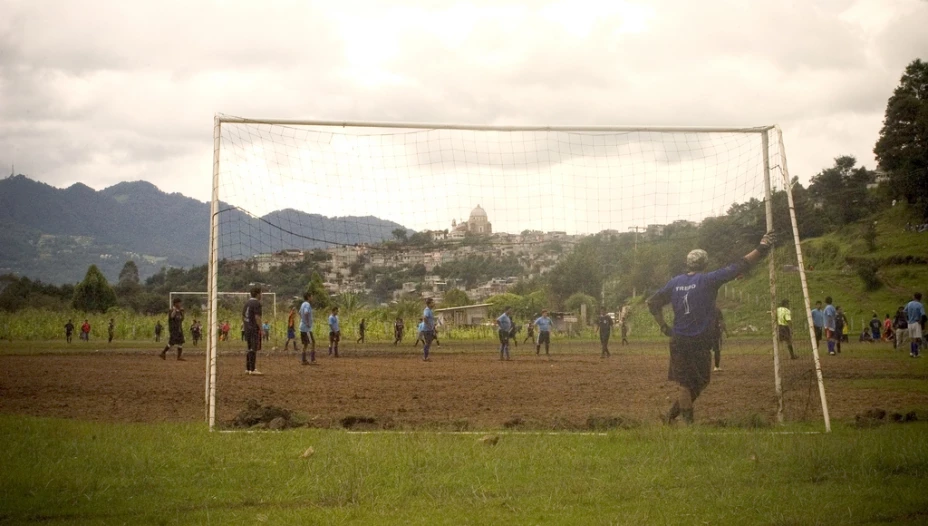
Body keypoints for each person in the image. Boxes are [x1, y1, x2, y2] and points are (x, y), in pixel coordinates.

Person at [647, 231, 775, 425]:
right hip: (699, 341)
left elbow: (652, 303)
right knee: (691, 384)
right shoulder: (709, 280)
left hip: (680, 340)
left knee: (692, 383)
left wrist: (664, 326)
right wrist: (761, 247)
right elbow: (739, 265)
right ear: (705, 264)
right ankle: (686, 425)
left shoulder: (675, 283)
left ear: (687, 263)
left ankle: (670, 417)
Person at [242, 287, 263, 375]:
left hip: (247, 328)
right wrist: (262, 329)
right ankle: (253, 369)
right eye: (261, 293)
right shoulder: (257, 303)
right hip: (253, 328)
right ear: (258, 294)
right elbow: (257, 317)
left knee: (250, 348)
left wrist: (246, 325)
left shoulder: (247, 303)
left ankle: (248, 369)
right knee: (253, 348)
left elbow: (243, 317)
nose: (261, 295)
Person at [905, 292, 925, 358]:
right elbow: (923, 314)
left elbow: (904, 311)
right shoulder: (920, 305)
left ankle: (911, 352)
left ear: (914, 297)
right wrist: (920, 321)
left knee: (912, 339)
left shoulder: (909, 303)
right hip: (916, 322)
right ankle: (916, 353)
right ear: (920, 297)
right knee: (917, 338)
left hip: (910, 322)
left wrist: (907, 319)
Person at [298, 292, 316, 364]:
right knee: (313, 342)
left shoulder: (302, 304)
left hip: (302, 327)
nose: (312, 298)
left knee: (305, 344)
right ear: (308, 297)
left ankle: (304, 360)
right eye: (311, 296)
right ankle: (312, 359)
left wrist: (303, 320)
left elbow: (300, 313)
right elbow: (306, 312)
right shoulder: (307, 304)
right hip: (306, 329)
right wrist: (308, 323)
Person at [711, 307, 729, 372]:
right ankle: (716, 366)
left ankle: (703, 367)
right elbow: (721, 322)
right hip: (716, 333)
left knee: (705, 350)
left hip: (706, 333)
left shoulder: (704, 309)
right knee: (717, 350)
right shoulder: (717, 310)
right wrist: (726, 332)